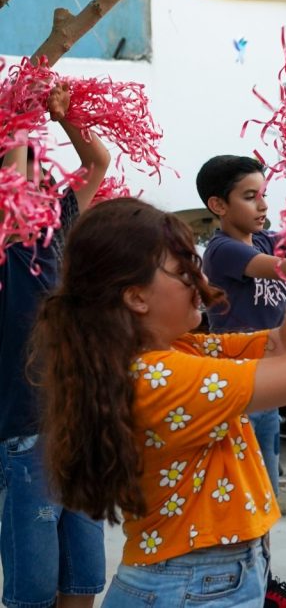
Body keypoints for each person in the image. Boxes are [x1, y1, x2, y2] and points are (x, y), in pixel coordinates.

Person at [31, 196, 286, 603]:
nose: (200, 279)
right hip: (192, 584)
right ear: (137, 297)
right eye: (183, 270)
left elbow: (283, 343)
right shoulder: (157, 376)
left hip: (202, 578)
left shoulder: (179, 350)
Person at [1, 84, 110, 608]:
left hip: (77, 426)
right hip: (27, 430)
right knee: (35, 590)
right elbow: (13, 185)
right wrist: (19, 120)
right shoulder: (8, 242)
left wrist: (64, 115)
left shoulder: (60, 229)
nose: (37, 188)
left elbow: (96, 161)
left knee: (83, 581)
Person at [196, 155, 286, 605]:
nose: (263, 205)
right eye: (250, 196)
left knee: (265, 492)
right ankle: (252, 582)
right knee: (248, 493)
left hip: (268, 385)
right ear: (218, 205)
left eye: (264, 195)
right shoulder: (222, 250)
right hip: (242, 388)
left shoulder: (263, 238)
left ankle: (260, 578)